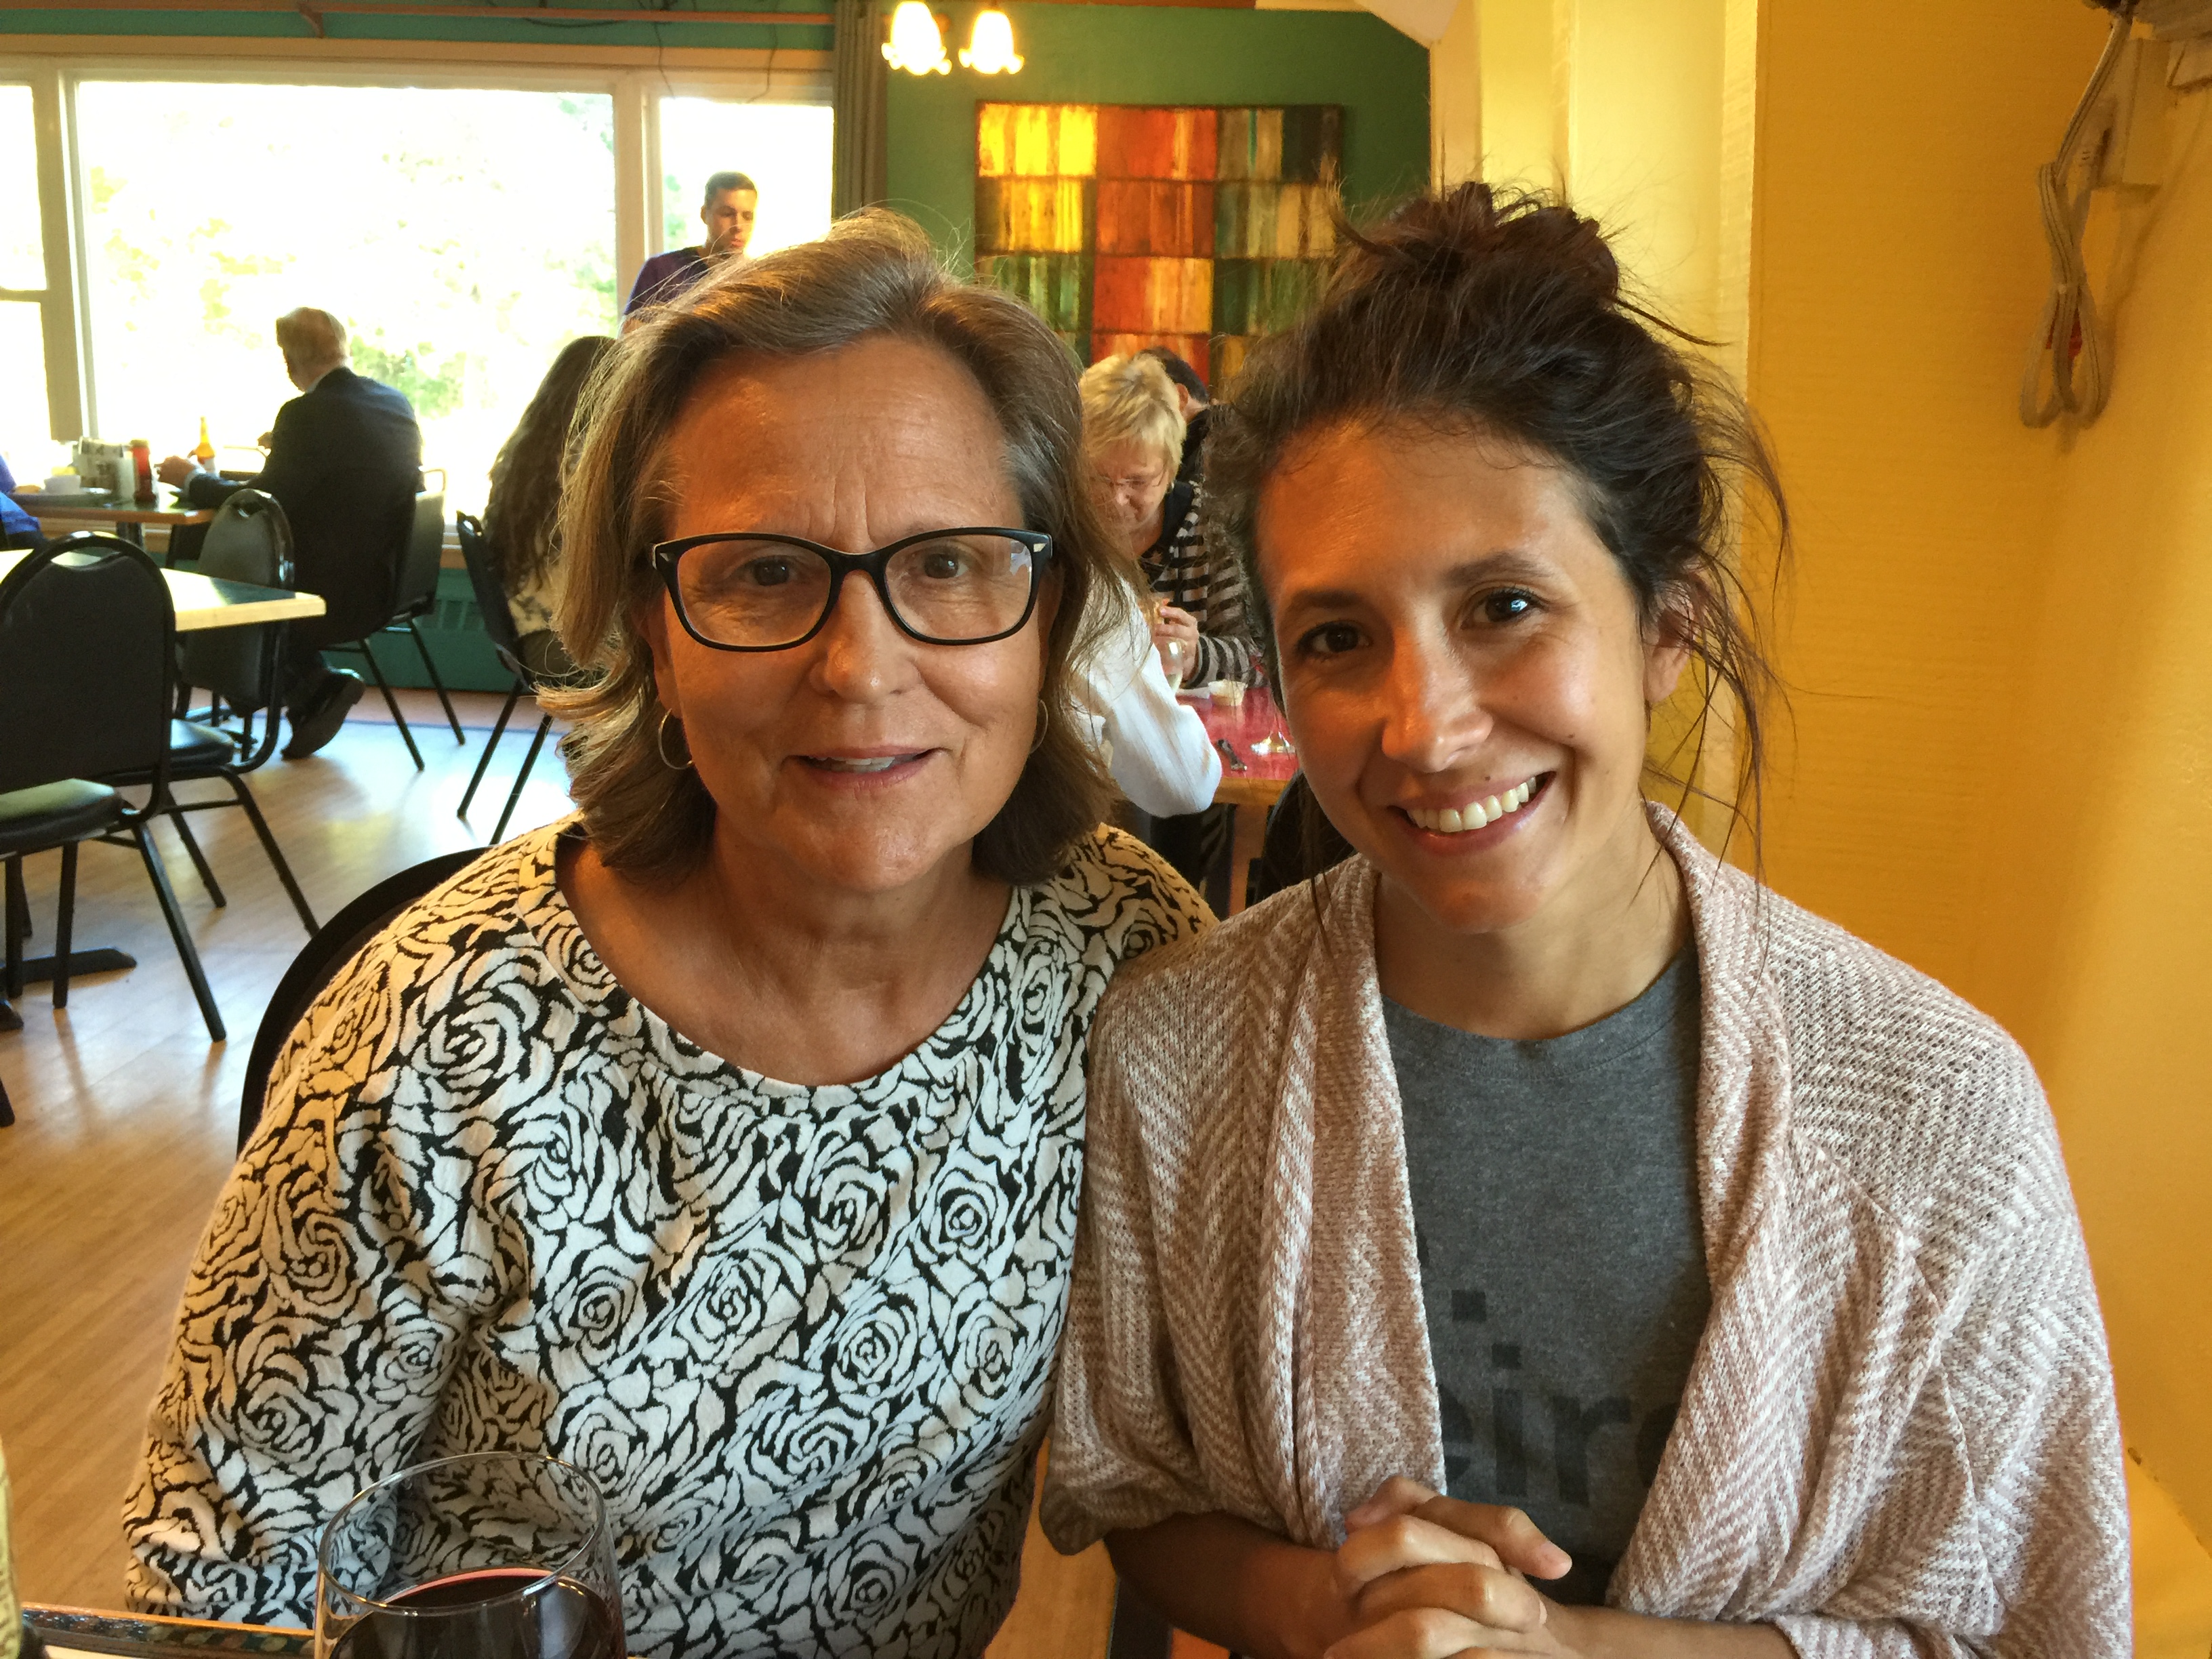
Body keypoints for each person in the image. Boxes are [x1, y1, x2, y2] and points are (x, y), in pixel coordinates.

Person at [1044, 185, 2129, 1657]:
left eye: (1503, 605)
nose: (1423, 728)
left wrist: (1559, 1646)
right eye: (1339, 636)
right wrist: (1323, 1602)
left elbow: (2026, 1625)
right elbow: (1138, 1487)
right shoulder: (1176, 1056)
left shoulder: (1937, 1122)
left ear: (1666, 623)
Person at [124, 210, 1210, 1659]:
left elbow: (1199, 1439)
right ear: (653, 624)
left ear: (1047, 603)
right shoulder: (437, 1038)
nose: (860, 667)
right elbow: (217, 1592)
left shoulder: (1128, 957)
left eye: (949, 563)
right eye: (762, 571)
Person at [159, 306, 423, 758]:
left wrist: (191, 479)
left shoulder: (307, 413)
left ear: (288, 361)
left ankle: (302, 688)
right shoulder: (393, 402)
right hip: (384, 582)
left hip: (322, 590)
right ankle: (310, 687)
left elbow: (257, 502)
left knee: (206, 600)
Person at [1080, 352, 1249, 901]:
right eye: (1098, 478)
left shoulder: (1208, 527)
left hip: (1191, 762)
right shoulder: (1067, 532)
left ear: (1170, 470)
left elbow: (1254, 654)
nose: (1115, 499)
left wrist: (1198, 655)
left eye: (1138, 481)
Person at [483, 333, 615, 678]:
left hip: (528, 632)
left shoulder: (524, 453)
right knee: (674, 655)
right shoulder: (583, 460)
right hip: (560, 641)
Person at [623, 170, 759, 326]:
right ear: (704, 214)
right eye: (727, 214)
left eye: (748, 216)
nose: (738, 226)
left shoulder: (760, 280)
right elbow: (630, 335)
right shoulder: (662, 270)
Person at [1138, 344, 1209, 485]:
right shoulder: (1227, 430)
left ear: (1180, 397)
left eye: (1147, 403)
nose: (1139, 419)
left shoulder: (1213, 442)